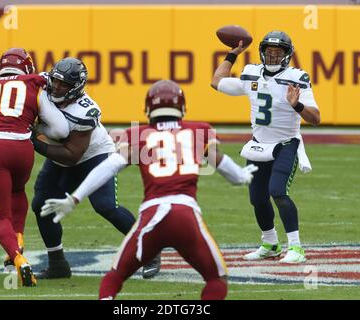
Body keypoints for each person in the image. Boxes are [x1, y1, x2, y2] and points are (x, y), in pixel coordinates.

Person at [40, 80, 258, 300]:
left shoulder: (137, 134)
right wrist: (242, 176)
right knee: (216, 280)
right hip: (185, 215)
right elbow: (226, 168)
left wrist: (76, 197)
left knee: (114, 278)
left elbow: (109, 166)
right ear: (182, 107)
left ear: (148, 109)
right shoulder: (198, 130)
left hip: (151, 217)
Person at [30, 57, 161, 280]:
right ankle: (57, 264)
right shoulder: (41, 88)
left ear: (77, 87)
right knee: (41, 205)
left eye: (65, 84)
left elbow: (73, 155)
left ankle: (150, 251)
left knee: (105, 205)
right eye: (56, 81)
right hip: (59, 155)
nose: (58, 86)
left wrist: (34, 142)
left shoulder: (85, 110)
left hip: (93, 155)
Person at [0, 48, 70, 286]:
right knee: (18, 192)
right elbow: (61, 130)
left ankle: (18, 258)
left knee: (0, 216)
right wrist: (35, 128)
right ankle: (17, 244)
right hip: (23, 148)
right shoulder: (33, 84)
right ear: (27, 67)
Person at [211, 31, 321, 263]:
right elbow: (217, 81)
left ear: (287, 55)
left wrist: (297, 104)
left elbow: (315, 118)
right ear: (262, 53)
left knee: (278, 192)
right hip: (259, 145)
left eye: (277, 52)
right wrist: (232, 54)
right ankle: (270, 244)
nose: (272, 56)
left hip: (286, 144)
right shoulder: (252, 73)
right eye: (269, 52)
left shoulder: (296, 77)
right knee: (257, 198)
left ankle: (296, 248)